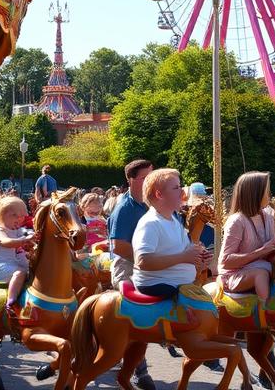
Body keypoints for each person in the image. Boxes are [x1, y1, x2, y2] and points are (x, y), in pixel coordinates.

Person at [107, 158, 154, 390]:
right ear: (131, 180)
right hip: (126, 264)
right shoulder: (124, 208)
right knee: (137, 307)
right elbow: (119, 246)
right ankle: (138, 366)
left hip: (151, 264)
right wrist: (150, 261)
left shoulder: (154, 204)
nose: (150, 182)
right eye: (145, 178)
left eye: (151, 177)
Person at [132, 168, 208, 298]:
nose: (182, 192)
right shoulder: (150, 223)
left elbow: (183, 252)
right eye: (176, 188)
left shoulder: (173, 220)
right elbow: (143, 261)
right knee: (198, 310)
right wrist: (184, 257)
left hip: (176, 283)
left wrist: (198, 256)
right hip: (158, 284)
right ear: (159, 195)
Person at [218, 171, 275, 304]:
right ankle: (266, 313)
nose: (269, 194)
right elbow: (226, 261)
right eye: (266, 190)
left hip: (264, 266)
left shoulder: (269, 215)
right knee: (260, 274)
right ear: (255, 194)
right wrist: (262, 251)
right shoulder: (237, 221)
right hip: (234, 275)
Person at [0, 196, 35, 316]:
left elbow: (28, 233)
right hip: (2, 266)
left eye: (21, 216)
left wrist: (36, 235)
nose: (19, 219)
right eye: (14, 215)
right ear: (2, 215)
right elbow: (7, 242)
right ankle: (11, 302)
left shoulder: (19, 230)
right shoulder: (0, 231)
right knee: (20, 273)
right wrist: (24, 240)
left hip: (17, 264)